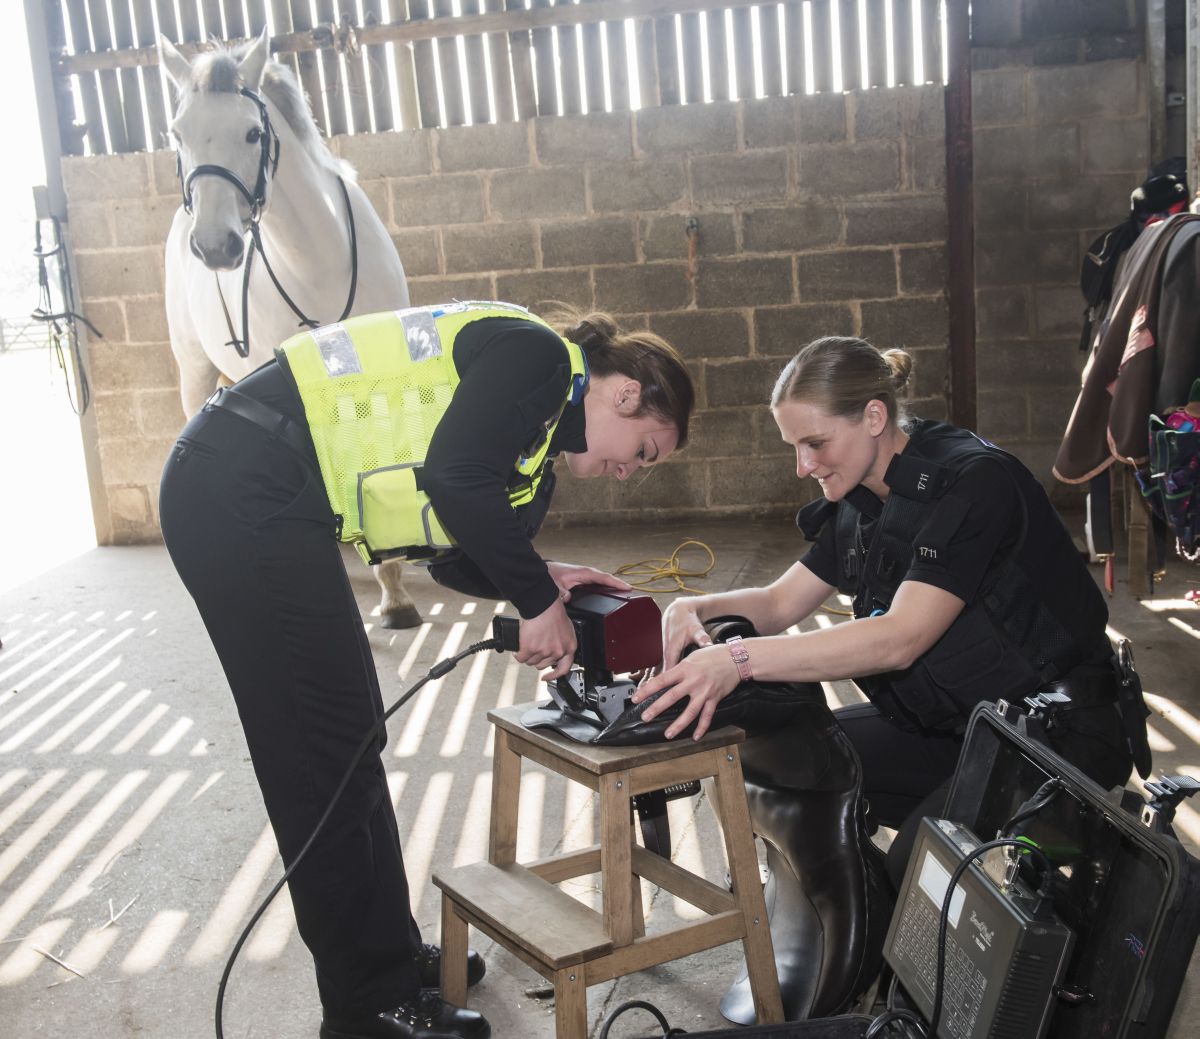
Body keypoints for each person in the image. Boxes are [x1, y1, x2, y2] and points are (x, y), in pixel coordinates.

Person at [159, 301, 694, 1039]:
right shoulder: (538, 359)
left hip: (266, 494)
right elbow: (454, 476)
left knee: (350, 740)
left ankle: (389, 954)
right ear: (627, 394)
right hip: (239, 485)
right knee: (317, 757)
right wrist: (536, 599)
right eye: (644, 451)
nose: (629, 474)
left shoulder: (533, 439)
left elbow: (451, 550)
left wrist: (542, 576)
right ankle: (363, 1005)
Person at [631, 335, 1149, 1018]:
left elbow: (900, 638)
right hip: (959, 726)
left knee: (921, 874)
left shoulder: (972, 484)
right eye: (794, 446)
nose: (802, 465)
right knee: (797, 772)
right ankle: (835, 970)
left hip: (1056, 741)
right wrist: (694, 604)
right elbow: (783, 603)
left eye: (815, 443)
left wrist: (736, 659)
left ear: (875, 417)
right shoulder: (864, 492)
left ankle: (907, 989)